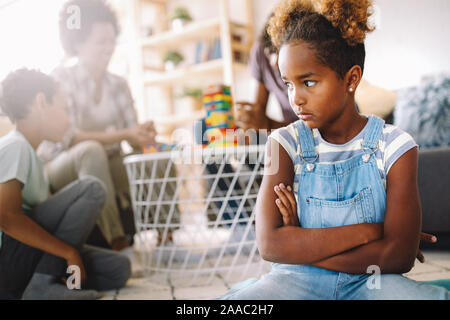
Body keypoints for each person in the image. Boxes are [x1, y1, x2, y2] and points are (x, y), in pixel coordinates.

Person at [219, 0, 450, 300]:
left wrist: (301, 244)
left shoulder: (396, 146)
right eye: (288, 84)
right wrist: (370, 231)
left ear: (351, 79)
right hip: (295, 280)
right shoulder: (283, 144)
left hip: (372, 282)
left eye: (309, 82)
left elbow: (398, 257)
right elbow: (271, 246)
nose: (295, 99)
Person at [0, 69, 130, 300]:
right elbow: (7, 218)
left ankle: (39, 284)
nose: (69, 119)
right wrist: (67, 252)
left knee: (117, 268)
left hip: (26, 258)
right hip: (9, 258)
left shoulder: (33, 157)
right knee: (92, 188)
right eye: (64, 109)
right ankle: (41, 287)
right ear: (41, 102)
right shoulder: (15, 146)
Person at [38, 0, 156, 251]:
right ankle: (117, 241)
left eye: (112, 40)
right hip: (61, 163)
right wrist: (125, 133)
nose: (109, 48)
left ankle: (167, 236)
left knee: (155, 157)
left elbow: (132, 135)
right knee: (92, 150)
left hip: (106, 163)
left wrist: (143, 135)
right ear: (78, 43)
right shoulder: (61, 78)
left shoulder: (119, 84)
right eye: (101, 41)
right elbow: (68, 138)